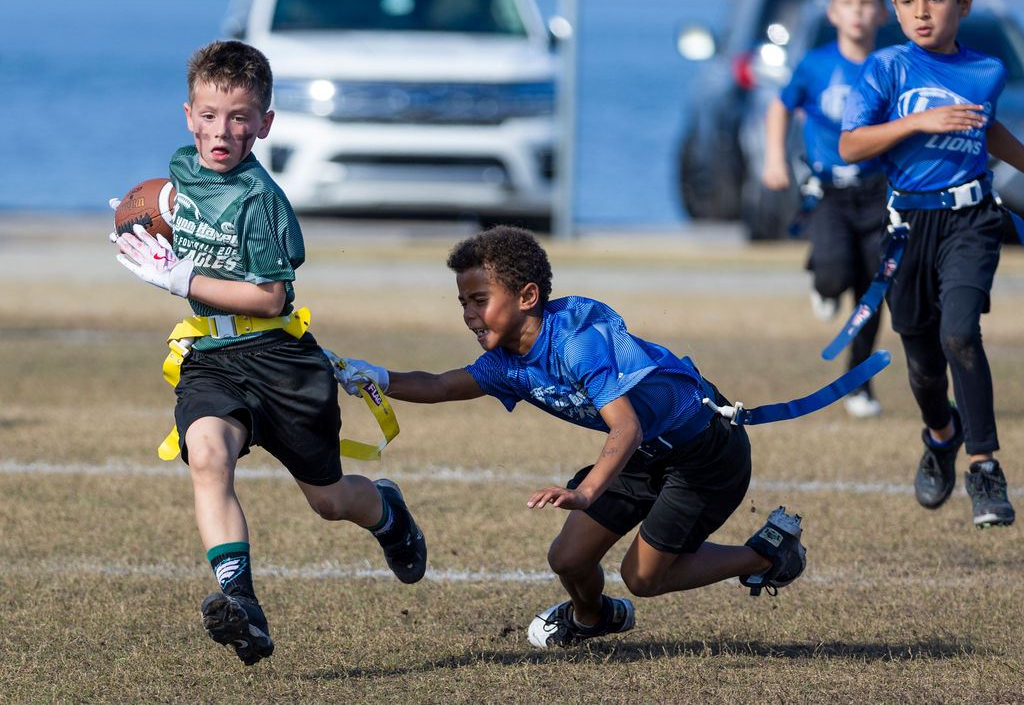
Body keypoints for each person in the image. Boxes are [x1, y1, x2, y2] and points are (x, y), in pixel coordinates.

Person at [330, 226, 807, 648]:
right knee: (568, 558)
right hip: (643, 453)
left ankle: (766, 553)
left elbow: (627, 424)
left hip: (704, 454)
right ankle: (594, 618)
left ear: (527, 296)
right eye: (463, 303)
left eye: (480, 301)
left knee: (641, 577)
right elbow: (439, 385)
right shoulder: (507, 361)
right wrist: (377, 377)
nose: (470, 316)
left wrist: (584, 492)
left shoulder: (577, 343)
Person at [111, 40, 427, 665]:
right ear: (188, 115)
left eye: (237, 117)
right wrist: (142, 219)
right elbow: (177, 212)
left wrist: (182, 280)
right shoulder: (181, 168)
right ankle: (242, 604)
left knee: (330, 500)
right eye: (207, 115)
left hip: (280, 362)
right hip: (212, 358)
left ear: (264, 124)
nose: (220, 130)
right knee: (207, 454)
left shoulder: (261, 200)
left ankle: (387, 511)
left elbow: (271, 298)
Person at [840, 0, 1024, 528]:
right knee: (920, 360)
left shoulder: (987, 70)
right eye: (908, 0)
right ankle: (941, 435)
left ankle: (985, 467)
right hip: (906, 228)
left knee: (961, 334)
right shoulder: (886, 67)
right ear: (894, 8)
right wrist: (917, 120)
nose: (922, 11)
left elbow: (985, 129)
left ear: (962, 3)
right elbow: (851, 143)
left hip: (971, 220)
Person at [761, 0, 890, 419]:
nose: (857, 13)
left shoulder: (891, 65)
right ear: (834, 12)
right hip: (830, 192)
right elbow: (780, 108)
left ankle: (860, 385)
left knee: (874, 290)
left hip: (879, 192)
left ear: (882, 12)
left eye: (866, 4)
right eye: (849, 4)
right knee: (836, 274)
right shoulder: (816, 65)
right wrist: (774, 159)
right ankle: (823, 276)